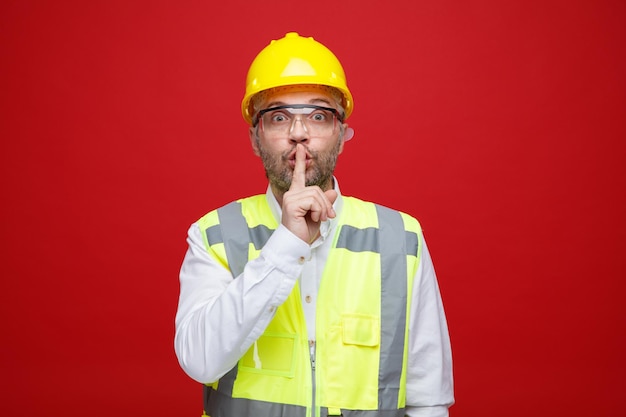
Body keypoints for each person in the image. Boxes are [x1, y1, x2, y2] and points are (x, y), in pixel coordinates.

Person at [174, 32, 454, 417]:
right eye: (278, 117)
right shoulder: (214, 235)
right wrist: (286, 244)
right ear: (256, 138)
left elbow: (428, 399)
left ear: (341, 134)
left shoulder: (401, 239)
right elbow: (199, 360)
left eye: (319, 116)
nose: (299, 133)